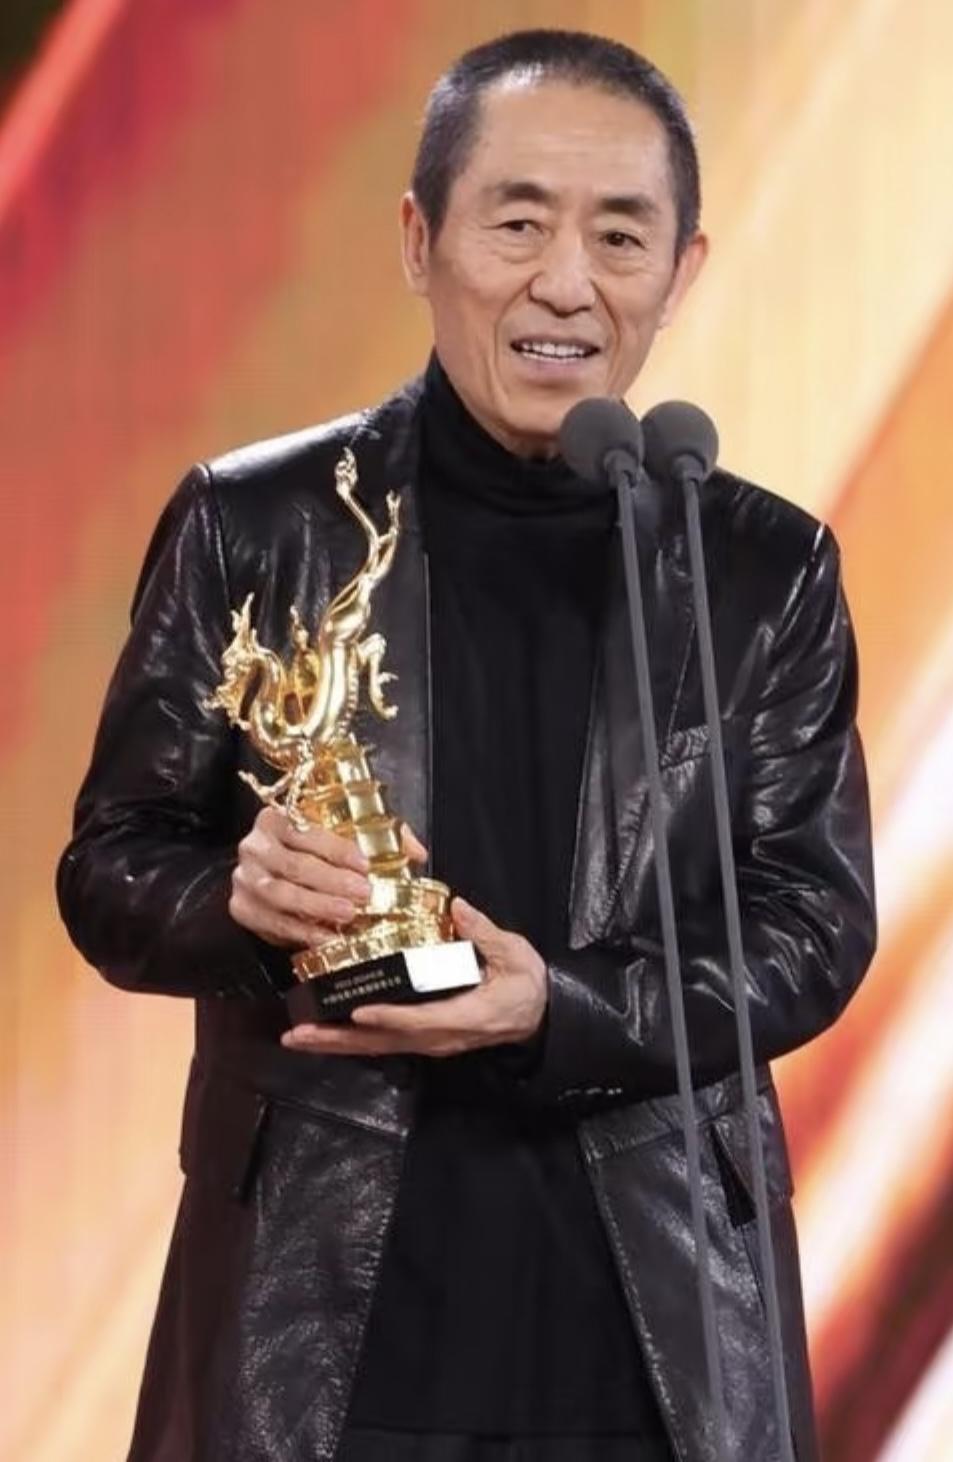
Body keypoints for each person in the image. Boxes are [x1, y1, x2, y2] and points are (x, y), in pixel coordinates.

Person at [57, 28, 876, 1462]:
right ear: (418, 239)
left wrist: (554, 1007)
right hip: (323, 1293)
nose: (565, 281)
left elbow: (811, 924)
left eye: (619, 235)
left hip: (654, 1312)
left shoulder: (757, 568)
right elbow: (111, 868)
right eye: (517, 222)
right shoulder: (256, 527)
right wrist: (245, 904)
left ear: (681, 270)